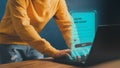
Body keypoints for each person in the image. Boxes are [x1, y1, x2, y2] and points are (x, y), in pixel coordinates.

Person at [0, 0, 72, 64]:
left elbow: (66, 25)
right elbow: (23, 27)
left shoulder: (58, 1)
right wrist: (54, 52)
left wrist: (76, 46)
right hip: (10, 42)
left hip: (33, 43)